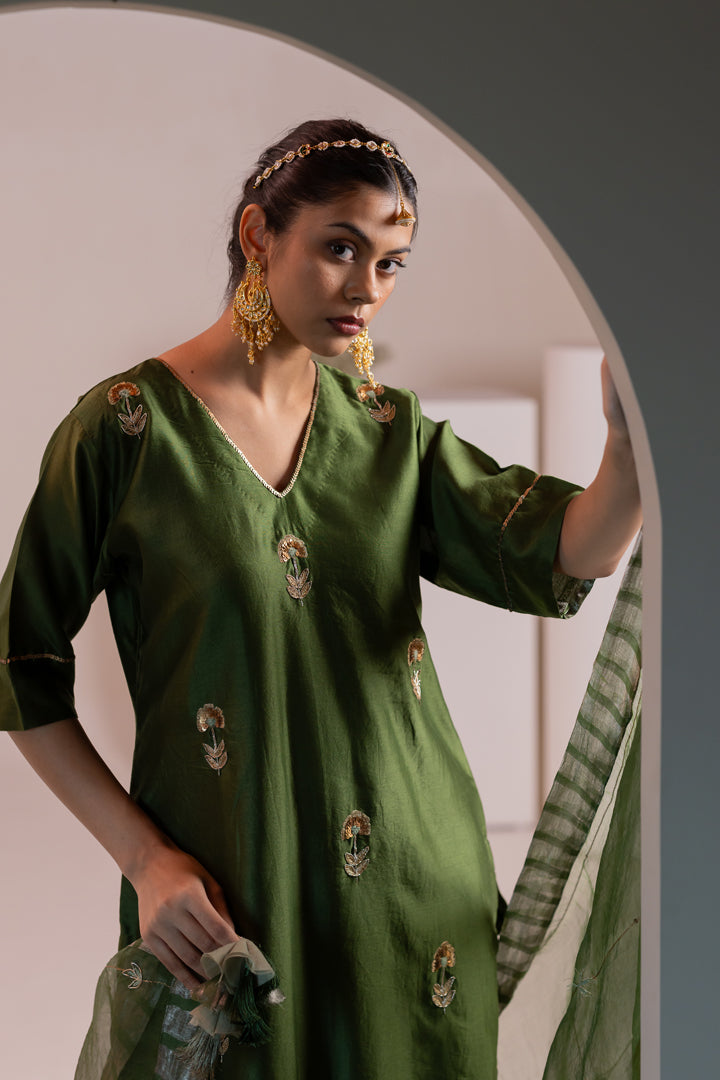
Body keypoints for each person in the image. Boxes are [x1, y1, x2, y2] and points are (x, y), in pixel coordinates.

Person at [0, 118, 641, 1080]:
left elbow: (564, 549)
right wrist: (144, 860)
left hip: (414, 903)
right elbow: (20, 664)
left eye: (392, 263)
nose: (367, 288)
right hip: (229, 897)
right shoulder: (126, 430)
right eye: (341, 247)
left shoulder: (389, 432)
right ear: (260, 235)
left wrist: (627, 449)